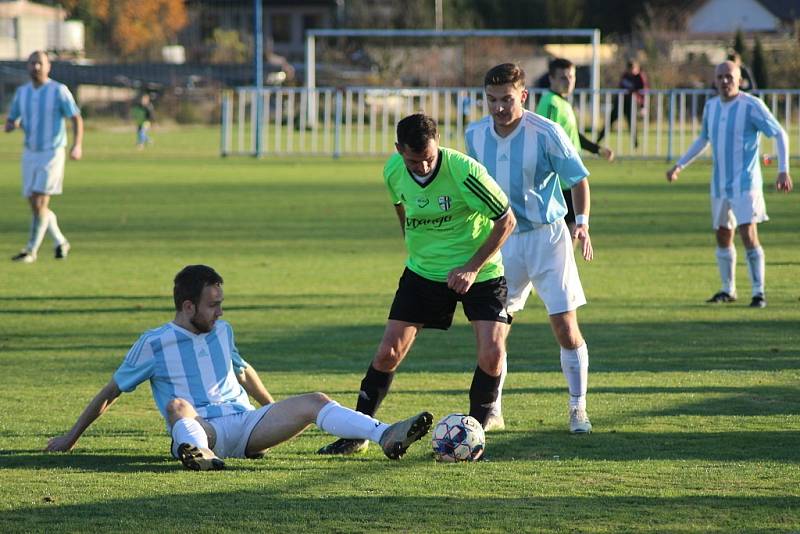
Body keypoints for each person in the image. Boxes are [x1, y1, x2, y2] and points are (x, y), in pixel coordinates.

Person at [45, 265, 433, 469]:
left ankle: (385, 435)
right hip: (203, 431)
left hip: (247, 427)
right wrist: (71, 438)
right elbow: (110, 392)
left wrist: (272, 409)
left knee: (315, 399)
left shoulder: (223, 330)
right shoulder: (153, 342)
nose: (220, 311)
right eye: (213, 305)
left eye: (220, 302)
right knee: (177, 407)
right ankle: (200, 457)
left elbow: (244, 373)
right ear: (187, 307)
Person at [317, 113, 516, 456]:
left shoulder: (465, 171)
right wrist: (413, 243)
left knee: (493, 353)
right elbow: (401, 208)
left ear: (439, 142)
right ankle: (358, 432)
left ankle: (474, 436)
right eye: (414, 160)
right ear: (398, 150)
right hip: (423, 273)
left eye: (429, 158)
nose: (423, 167)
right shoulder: (393, 171)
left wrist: (470, 268)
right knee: (387, 352)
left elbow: (506, 220)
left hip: (480, 274)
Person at [466, 63, 594, 434]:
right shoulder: (474, 135)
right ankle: (493, 411)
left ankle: (578, 409)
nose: (499, 107)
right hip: (502, 241)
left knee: (565, 327)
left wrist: (581, 223)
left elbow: (578, 180)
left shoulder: (546, 132)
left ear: (523, 95)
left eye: (507, 99)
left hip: (548, 237)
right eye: (492, 99)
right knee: (496, 330)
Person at [666, 61, 792, 308]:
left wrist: (783, 170)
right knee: (723, 235)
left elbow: (779, 133)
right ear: (715, 80)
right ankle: (728, 289)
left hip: (746, 183)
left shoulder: (751, 105)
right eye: (720, 77)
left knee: (748, 234)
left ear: (740, 80)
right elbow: (703, 139)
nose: (725, 81)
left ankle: (758, 292)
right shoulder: (712, 106)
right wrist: (680, 165)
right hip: (720, 184)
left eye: (729, 77)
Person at [5, 50, 82, 264]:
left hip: (52, 152)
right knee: (36, 206)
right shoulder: (22, 92)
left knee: (40, 200)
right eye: (32, 63)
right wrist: (11, 125)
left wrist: (77, 146)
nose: (35, 67)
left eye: (39, 63)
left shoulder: (59, 90)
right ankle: (60, 241)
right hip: (30, 152)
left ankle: (31, 250)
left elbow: (76, 117)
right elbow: (13, 118)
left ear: (48, 66)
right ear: (27, 66)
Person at [535, 57, 614, 238]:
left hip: (569, 177)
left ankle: (565, 264)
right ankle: (563, 265)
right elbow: (543, 136)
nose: (569, 81)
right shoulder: (550, 103)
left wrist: (597, 149)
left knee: (575, 226)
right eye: (563, 77)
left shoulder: (563, 102)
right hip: (559, 179)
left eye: (571, 76)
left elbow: (572, 135)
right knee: (570, 228)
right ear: (551, 79)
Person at [596, 59, 648, 149]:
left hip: (631, 103)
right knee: (609, 121)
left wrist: (643, 106)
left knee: (631, 124)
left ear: (637, 68)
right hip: (620, 102)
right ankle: (598, 140)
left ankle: (635, 144)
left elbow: (643, 92)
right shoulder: (625, 76)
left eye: (633, 69)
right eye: (629, 69)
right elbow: (621, 87)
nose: (631, 71)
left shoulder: (640, 77)